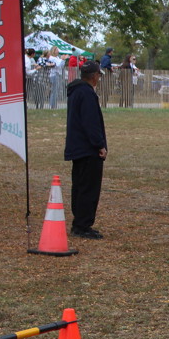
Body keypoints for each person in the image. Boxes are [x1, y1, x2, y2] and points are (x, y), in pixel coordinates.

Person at [64, 61, 107, 240]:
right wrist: (99, 144)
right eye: (98, 75)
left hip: (77, 147)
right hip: (88, 149)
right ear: (94, 76)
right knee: (89, 188)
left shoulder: (75, 91)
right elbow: (91, 122)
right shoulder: (87, 94)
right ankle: (83, 225)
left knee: (80, 186)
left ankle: (79, 222)